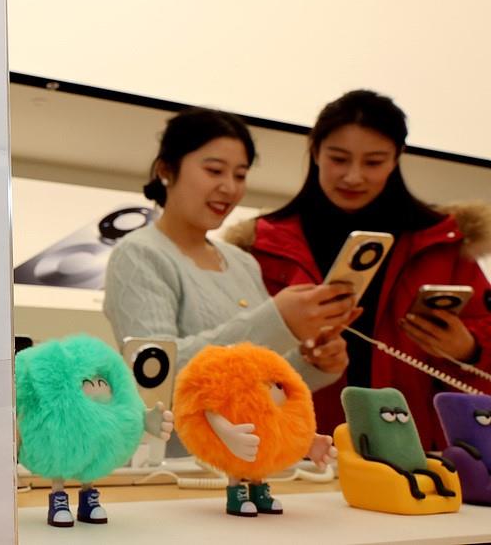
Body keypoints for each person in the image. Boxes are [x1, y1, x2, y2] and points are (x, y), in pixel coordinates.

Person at [226, 89, 491, 450]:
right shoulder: (260, 245)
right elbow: (237, 354)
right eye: (338, 159)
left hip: (415, 451)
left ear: (397, 158)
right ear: (315, 152)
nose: (353, 177)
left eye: (374, 162)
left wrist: (468, 349)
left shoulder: (444, 242)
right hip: (300, 451)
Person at [103, 108, 357, 413]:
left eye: (240, 175)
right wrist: (277, 321)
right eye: (214, 171)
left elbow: (262, 383)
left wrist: (313, 363)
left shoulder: (242, 262)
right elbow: (156, 376)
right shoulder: (138, 254)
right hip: (180, 444)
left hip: (254, 440)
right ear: (166, 170)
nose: (230, 188)